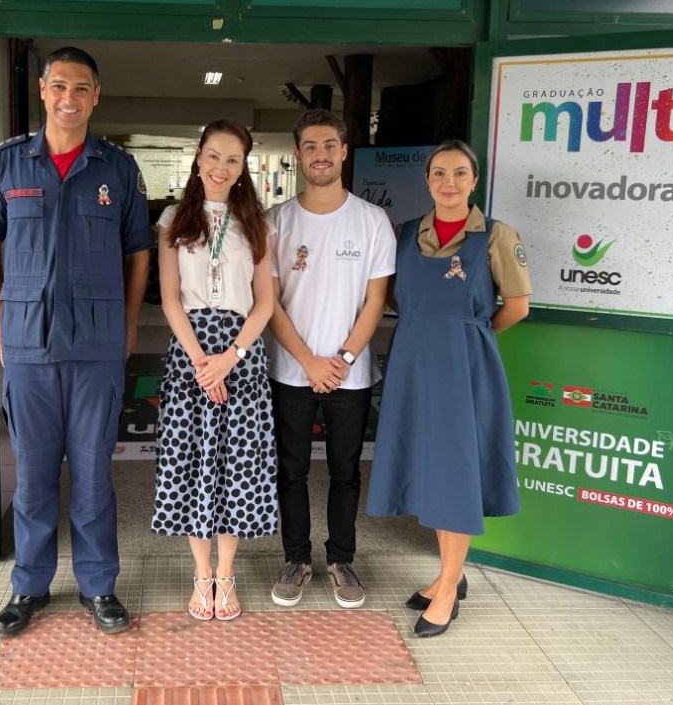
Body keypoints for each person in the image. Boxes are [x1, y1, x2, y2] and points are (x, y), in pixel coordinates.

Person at [0, 47, 151, 637]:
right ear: (43, 91)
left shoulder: (117, 169)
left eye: (80, 88)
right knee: (33, 475)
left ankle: (99, 586)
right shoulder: (6, 164)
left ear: (96, 96)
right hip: (26, 343)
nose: (68, 98)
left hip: (97, 345)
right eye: (58, 86)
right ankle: (30, 586)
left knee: (94, 474)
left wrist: (129, 323)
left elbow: (139, 253)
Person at [366, 139, 531, 638]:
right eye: (439, 173)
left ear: (474, 180)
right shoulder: (403, 234)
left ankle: (448, 590)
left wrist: (469, 336)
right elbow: (388, 297)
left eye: (460, 173)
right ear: (427, 180)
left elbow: (517, 306)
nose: (449, 182)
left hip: (464, 370)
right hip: (413, 365)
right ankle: (448, 576)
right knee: (429, 469)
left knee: (455, 475)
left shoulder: (497, 236)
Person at [267, 109, 396, 609]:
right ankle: (296, 559)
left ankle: (342, 559)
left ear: (344, 151)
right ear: (298, 155)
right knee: (291, 470)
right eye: (310, 146)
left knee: (346, 471)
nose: (320, 155)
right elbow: (269, 303)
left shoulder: (371, 221)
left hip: (351, 373)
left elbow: (376, 301)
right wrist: (309, 362)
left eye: (328, 145)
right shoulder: (275, 221)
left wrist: (340, 359)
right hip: (291, 371)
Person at [152, 119, 276, 622]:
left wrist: (231, 357)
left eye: (232, 159)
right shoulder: (173, 219)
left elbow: (265, 303)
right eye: (213, 156)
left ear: (243, 168)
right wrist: (202, 362)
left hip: (241, 356)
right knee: (192, 465)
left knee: (236, 468)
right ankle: (200, 575)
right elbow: (169, 299)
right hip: (191, 355)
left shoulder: (258, 223)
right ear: (198, 157)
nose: (220, 167)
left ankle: (227, 575)